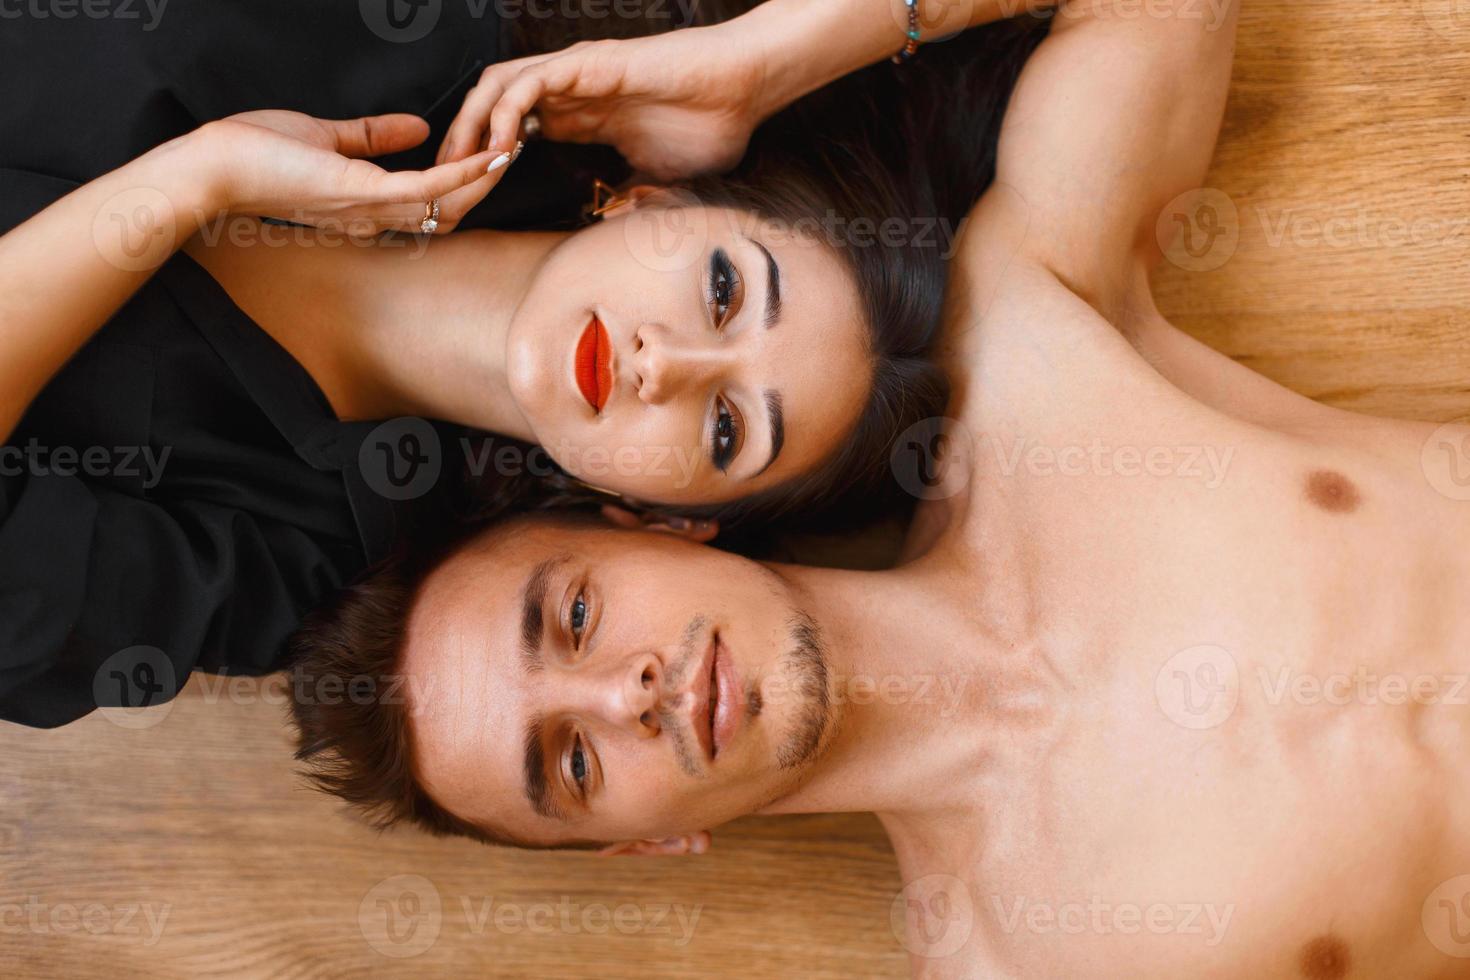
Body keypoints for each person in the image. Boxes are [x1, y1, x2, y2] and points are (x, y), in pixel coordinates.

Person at [286, 0, 1470, 975]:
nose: (624, 693)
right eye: (574, 764)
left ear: (652, 521)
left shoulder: (1026, 354)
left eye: (577, 615)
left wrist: (754, 69)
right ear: (648, 842)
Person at [0, 0, 1047, 726]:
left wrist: (194, 183)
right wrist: (771, 60)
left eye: (728, 427)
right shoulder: (457, 41)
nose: (663, 362)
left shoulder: (299, 566)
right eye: (724, 288)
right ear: (655, 204)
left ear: (676, 518)